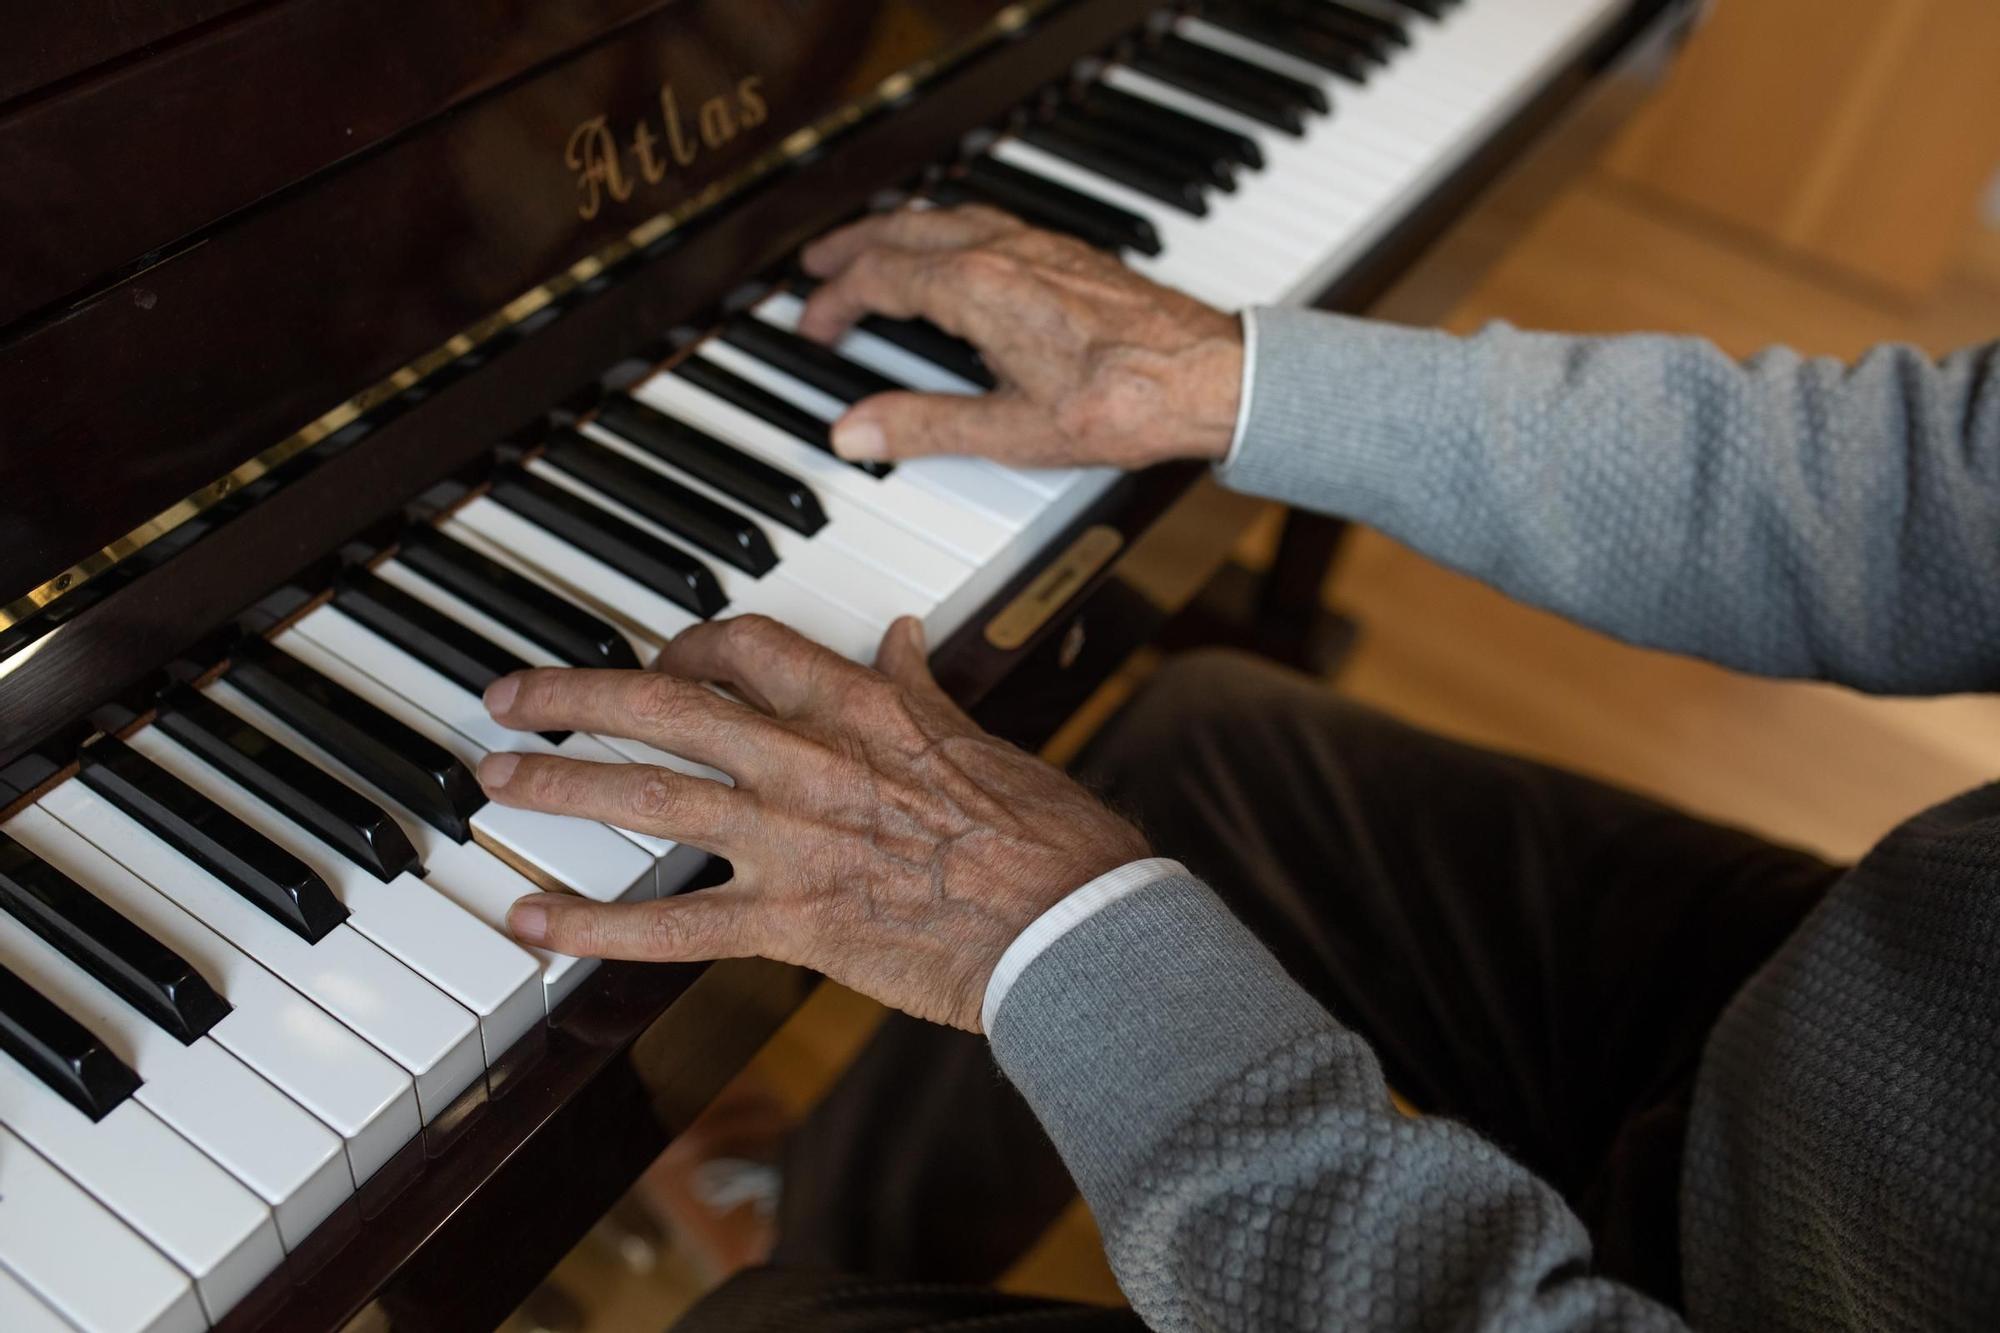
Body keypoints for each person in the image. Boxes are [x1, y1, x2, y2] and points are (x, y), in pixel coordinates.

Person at [474, 205, 2000, 1330]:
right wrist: (1231, 380)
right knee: (1201, 747)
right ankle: (826, 1229)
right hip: (1866, 1014)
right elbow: (1941, 500)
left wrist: (1065, 933)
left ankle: (796, 1288)